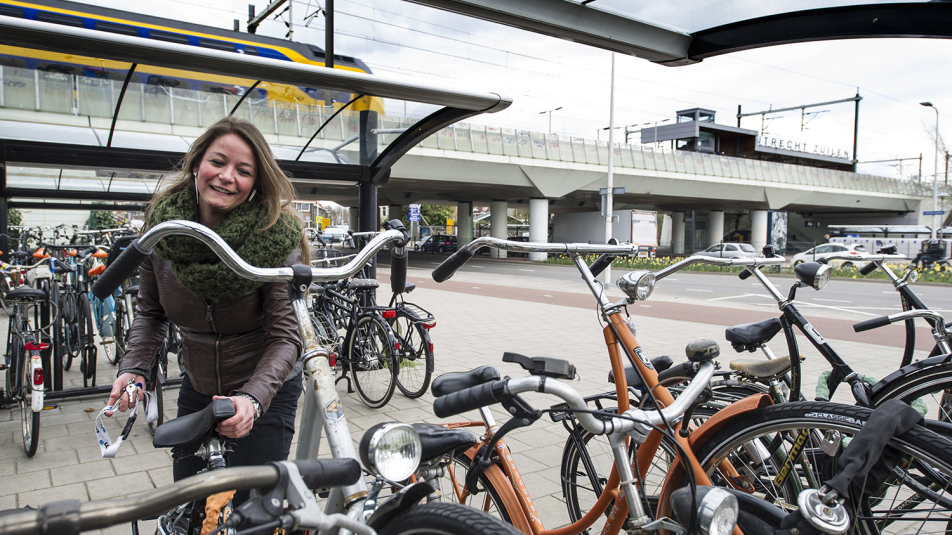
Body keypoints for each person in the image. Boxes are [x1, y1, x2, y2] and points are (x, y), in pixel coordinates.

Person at [105, 117, 309, 503]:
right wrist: (133, 369)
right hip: (198, 387)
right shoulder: (162, 231)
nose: (227, 177)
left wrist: (251, 399)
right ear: (198, 163)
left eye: (243, 171)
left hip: (265, 388)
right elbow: (151, 313)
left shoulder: (275, 235)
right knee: (191, 499)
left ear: (255, 182)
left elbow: (286, 336)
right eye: (218, 162)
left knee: (255, 509)